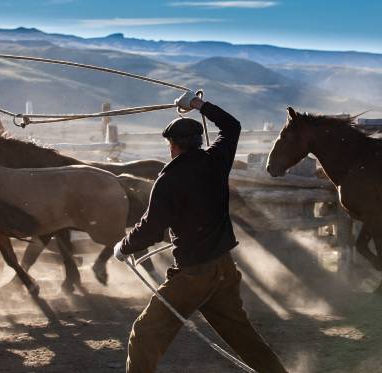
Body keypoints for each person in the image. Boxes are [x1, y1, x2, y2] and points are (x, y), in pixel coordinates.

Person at [113, 91, 288, 373]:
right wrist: (199, 105)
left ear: (173, 146)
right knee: (244, 337)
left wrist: (123, 247)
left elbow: (151, 228)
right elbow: (232, 126)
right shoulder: (217, 160)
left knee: (144, 334)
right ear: (196, 141)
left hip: (194, 274)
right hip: (224, 268)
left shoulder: (168, 180)